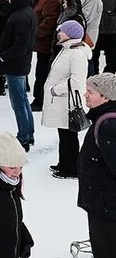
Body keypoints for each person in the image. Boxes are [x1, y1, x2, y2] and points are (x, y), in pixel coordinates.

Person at [43, 20, 91, 178]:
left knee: (69, 136)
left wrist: (56, 90)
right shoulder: (67, 48)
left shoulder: (77, 53)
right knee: (63, 135)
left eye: (62, 31)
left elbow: (77, 81)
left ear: (70, 34)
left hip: (67, 102)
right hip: (62, 103)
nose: (59, 33)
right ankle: (64, 163)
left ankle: (70, 169)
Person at [79, 72, 116, 255]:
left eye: (91, 91)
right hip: (104, 202)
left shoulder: (107, 124)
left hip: (105, 205)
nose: (85, 95)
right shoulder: (106, 119)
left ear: (106, 96)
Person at [0, 0, 37, 151]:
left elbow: (20, 45)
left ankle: (23, 137)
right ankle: (28, 133)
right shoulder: (27, 12)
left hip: (15, 64)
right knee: (23, 100)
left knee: (18, 103)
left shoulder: (20, 17)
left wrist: (3, 56)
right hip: (21, 63)